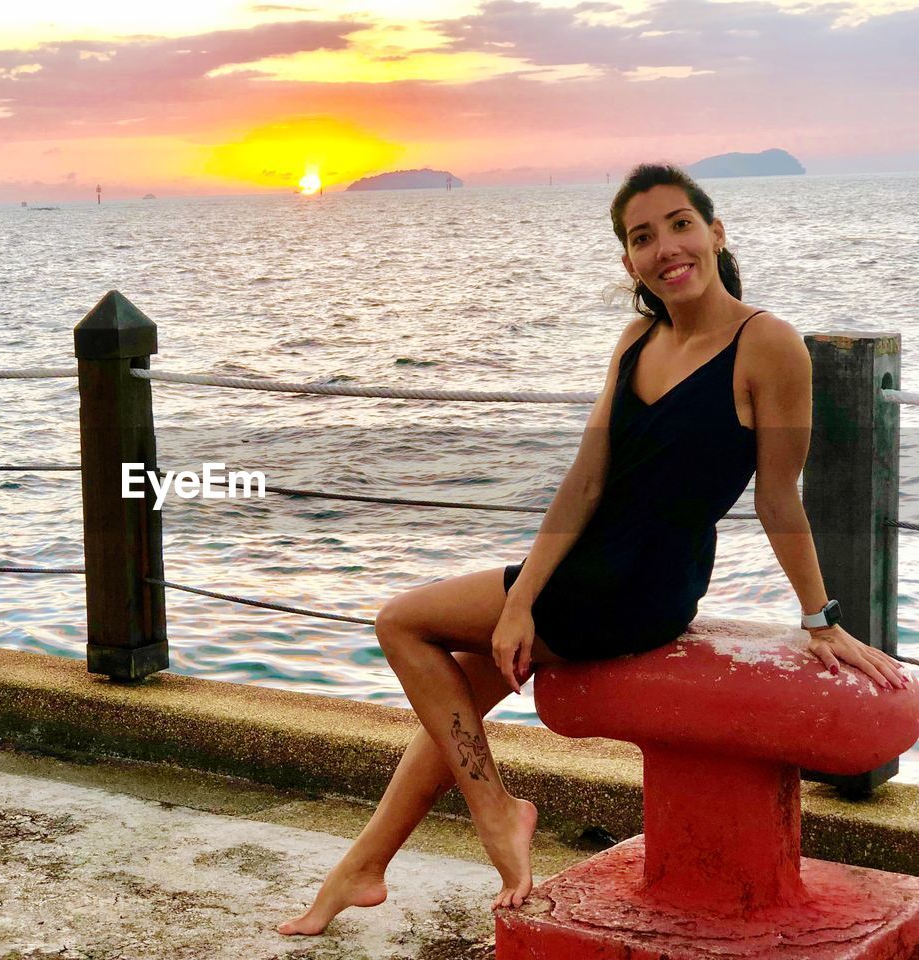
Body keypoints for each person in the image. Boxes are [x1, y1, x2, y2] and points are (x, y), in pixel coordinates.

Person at [277, 163, 912, 936]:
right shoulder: (638, 337)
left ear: (715, 232)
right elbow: (584, 482)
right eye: (642, 237)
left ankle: (497, 814)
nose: (665, 247)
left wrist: (821, 618)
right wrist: (518, 601)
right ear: (628, 261)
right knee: (462, 699)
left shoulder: (766, 344)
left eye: (679, 224)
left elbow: (780, 499)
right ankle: (364, 866)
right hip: (586, 568)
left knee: (402, 623)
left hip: (641, 585)